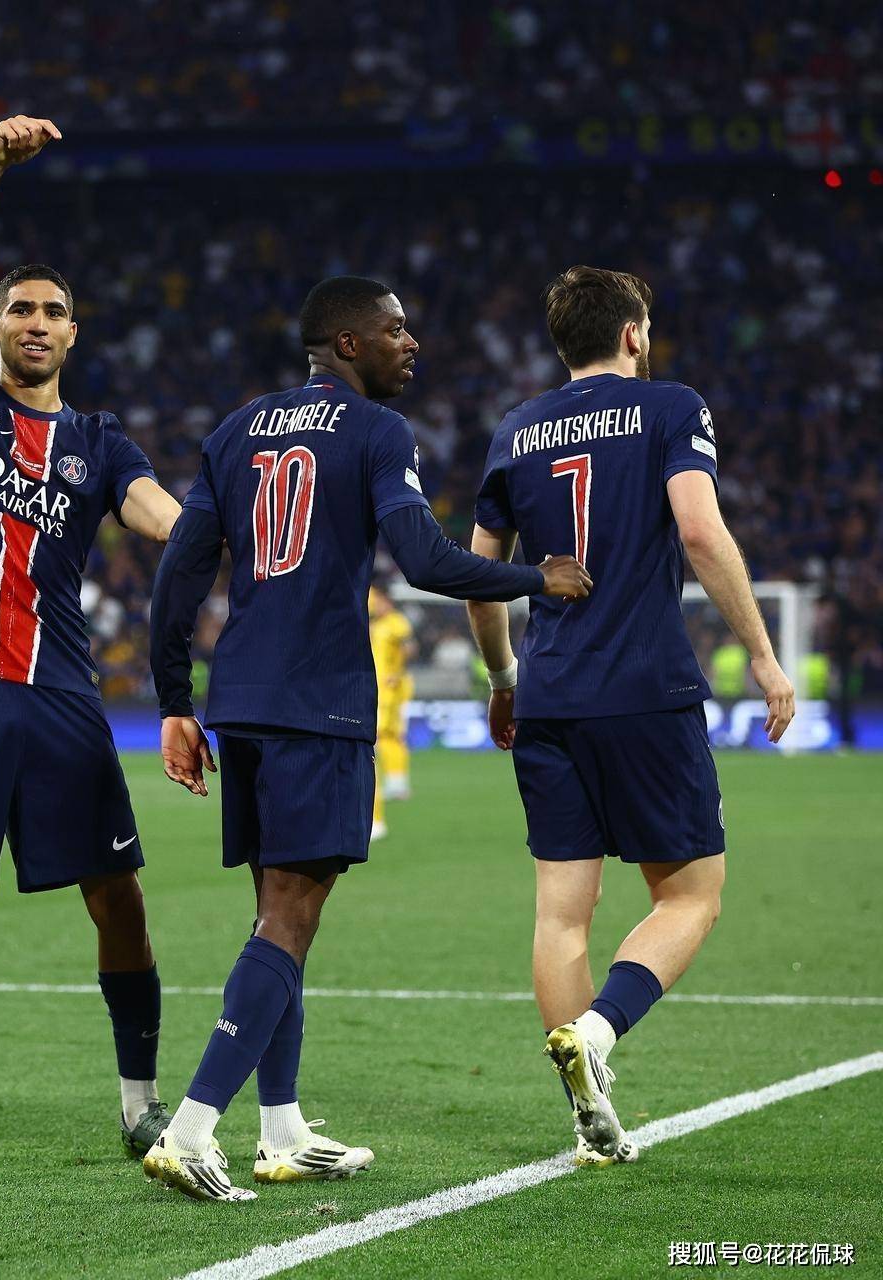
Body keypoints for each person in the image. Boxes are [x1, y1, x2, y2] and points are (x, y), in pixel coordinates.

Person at [143, 275, 592, 1201]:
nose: (409, 342)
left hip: (244, 698)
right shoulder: (377, 431)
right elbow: (424, 560)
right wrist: (536, 578)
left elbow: (179, 573)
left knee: (278, 917)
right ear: (346, 343)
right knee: (290, 917)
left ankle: (281, 1129)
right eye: (393, 329)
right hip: (321, 702)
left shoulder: (235, 431)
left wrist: (174, 700)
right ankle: (191, 1129)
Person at [0, 116, 183, 1174]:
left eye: (54, 311)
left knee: (120, 899)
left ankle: (139, 1103)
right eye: (20, 309)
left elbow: (158, 514)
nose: (37, 323)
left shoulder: (99, 442)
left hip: (61, 695)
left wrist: (228, 529)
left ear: (74, 332)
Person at [467, 265, 796, 1165]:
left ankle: (587, 1117)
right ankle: (600, 1030)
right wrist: (763, 654)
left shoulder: (515, 429)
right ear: (633, 334)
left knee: (561, 913)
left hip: (549, 693)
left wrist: (502, 677)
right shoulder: (670, 406)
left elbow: (480, 573)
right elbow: (699, 529)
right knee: (691, 894)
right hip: (645, 689)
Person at [368, 582, 418, 839]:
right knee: (386, 737)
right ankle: (397, 783)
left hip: (389, 690)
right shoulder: (376, 625)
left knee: (381, 738)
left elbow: (409, 647)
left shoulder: (396, 622)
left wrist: (398, 673)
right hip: (376, 687)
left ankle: (393, 789)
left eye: (378, 601)